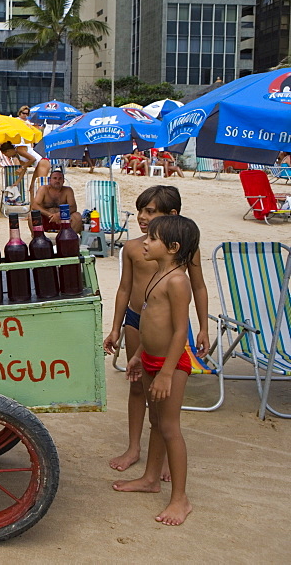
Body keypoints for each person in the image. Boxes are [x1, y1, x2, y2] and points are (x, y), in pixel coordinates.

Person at [103, 186, 209, 480]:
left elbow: (198, 286)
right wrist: (116, 326)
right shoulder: (135, 247)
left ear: (171, 215)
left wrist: (202, 327)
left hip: (167, 324)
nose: (142, 217)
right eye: (140, 210)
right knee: (137, 386)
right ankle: (134, 447)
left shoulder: (184, 249)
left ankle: (161, 457)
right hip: (137, 319)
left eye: (150, 211)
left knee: (162, 400)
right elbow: (125, 287)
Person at [112, 215, 200, 526]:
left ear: (173, 247)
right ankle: (151, 477)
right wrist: (138, 354)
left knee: (170, 428)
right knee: (156, 420)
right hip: (149, 358)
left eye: (153, 239)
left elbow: (179, 331)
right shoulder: (158, 274)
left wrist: (165, 372)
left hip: (171, 364)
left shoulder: (178, 281)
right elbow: (149, 321)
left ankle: (180, 498)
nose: (145, 242)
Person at [29, 168, 83, 233]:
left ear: (63, 181)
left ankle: (69, 238)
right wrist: (51, 215)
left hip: (63, 220)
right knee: (31, 216)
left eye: (60, 179)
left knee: (77, 216)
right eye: (55, 178)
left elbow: (73, 207)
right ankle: (37, 238)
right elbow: (34, 206)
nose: (57, 180)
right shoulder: (43, 189)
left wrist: (60, 215)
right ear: (50, 180)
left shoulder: (68, 191)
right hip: (46, 220)